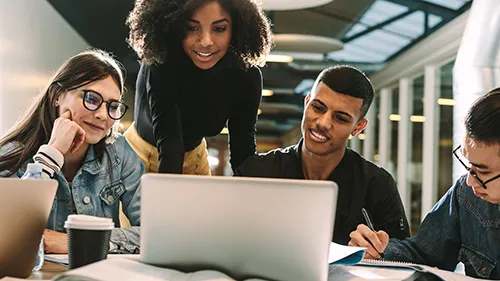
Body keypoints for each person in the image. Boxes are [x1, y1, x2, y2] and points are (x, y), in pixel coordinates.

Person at [235, 65, 410, 245]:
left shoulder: (377, 185)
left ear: (357, 128)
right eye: (318, 108)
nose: (323, 123)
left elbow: (403, 254)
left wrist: (378, 253)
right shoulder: (256, 173)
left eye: (340, 118)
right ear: (307, 103)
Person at [0, 49, 144, 254]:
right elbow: (9, 234)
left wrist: (80, 242)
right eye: (92, 99)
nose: (103, 115)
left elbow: (155, 233)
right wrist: (52, 153)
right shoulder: (12, 155)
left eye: (112, 106)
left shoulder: (119, 152)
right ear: (57, 96)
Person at [349, 88, 500, 279]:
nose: (470, 181)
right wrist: (379, 250)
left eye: (483, 171)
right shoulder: (467, 195)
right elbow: (424, 255)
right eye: (468, 164)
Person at [125, 0, 273, 174]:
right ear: (175, 26)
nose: (206, 41)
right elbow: (170, 144)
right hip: (136, 157)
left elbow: (243, 150)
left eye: (219, 29)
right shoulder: (162, 63)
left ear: (237, 28)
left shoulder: (247, 76)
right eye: (192, 28)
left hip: (195, 159)